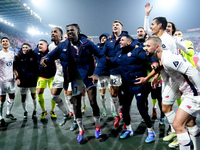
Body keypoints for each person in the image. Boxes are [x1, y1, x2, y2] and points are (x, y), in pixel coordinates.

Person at [40, 23, 106, 143]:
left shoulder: (87, 43)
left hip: (88, 77)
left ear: (78, 31)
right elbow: (50, 55)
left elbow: (101, 56)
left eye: (72, 30)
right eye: (68, 30)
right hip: (74, 78)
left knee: (92, 102)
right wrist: (45, 59)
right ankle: (81, 130)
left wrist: (97, 73)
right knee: (76, 105)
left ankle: (97, 127)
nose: (70, 32)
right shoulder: (62, 45)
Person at [145, 37, 200, 150]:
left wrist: (198, 91)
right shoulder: (165, 58)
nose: (146, 48)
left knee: (177, 125)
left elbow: (193, 72)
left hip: (193, 94)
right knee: (190, 123)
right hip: (188, 92)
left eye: (148, 46)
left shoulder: (168, 59)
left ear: (157, 47)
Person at [144, 3, 182, 146]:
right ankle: (175, 130)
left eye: (153, 24)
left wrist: (151, 76)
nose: (151, 27)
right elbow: (163, 63)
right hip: (167, 78)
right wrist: (147, 15)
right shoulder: (161, 39)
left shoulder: (166, 41)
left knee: (166, 108)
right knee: (167, 107)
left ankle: (180, 133)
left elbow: (167, 63)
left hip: (173, 79)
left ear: (160, 25)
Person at [113, 35, 158, 143]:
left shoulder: (137, 50)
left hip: (139, 84)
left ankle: (151, 131)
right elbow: (111, 62)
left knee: (141, 108)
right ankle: (129, 130)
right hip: (126, 86)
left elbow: (150, 56)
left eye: (122, 40)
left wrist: (154, 63)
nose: (120, 41)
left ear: (129, 42)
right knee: (124, 109)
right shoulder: (119, 54)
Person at [136, 27, 164, 122]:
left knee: (160, 99)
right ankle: (146, 114)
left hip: (156, 78)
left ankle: (162, 117)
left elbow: (159, 64)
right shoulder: (143, 49)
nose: (147, 39)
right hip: (146, 79)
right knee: (144, 99)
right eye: (146, 38)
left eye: (149, 37)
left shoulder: (158, 50)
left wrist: (156, 75)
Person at [103, 20, 127, 127]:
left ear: (122, 27)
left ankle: (125, 115)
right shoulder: (108, 41)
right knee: (114, 93)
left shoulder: (127, 38)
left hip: (125, 71)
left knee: (125, 94)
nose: (115, 26)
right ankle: (117, 114)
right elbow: (103, 54)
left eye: (117, 25)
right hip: (114, 72)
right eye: (113, 25)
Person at [13, 43, 38, 119]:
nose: (24, 49)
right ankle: (25, 111)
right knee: (23, 96)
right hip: (23, 79)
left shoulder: (33, 55)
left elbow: (36, 67)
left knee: (33, 95)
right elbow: (15, 68)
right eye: (23, 47)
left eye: (26, 47)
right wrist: (17, 78)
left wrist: (36, 77)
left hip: (32, 79)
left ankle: (35, 109)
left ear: (30, 48)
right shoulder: (18, 56)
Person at [34, 39, 57, 120]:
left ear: (46, 46)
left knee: (54, 94)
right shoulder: (35, 52)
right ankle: (44, 111)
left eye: (41, 44)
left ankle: (52, 110)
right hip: (41, 76)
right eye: (38, 44)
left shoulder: (51, 52)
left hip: (51, 76)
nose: (39, 45)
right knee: (39, 92)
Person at [96, 33, 115, 117]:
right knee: (102, 93)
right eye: (102, 38)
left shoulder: (110, 47)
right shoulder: (97, 47)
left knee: (112, 93)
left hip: (110, 73)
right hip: (101, 74)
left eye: (105, 38)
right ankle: (104, 108)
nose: (103, 39)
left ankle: (112, 110)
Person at [0, 37, 17, 127]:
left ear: (9, 44)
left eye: (6, 41)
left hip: (11, 80)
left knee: (12, 96)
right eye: (3, 41)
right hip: (1, 80)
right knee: (2, 99)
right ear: (1, 44)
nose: (5, 42)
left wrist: (16, 73)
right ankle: (0, 118)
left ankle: (8, 113)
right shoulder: (0, 54)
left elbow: (13, 66)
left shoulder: (12, 54)